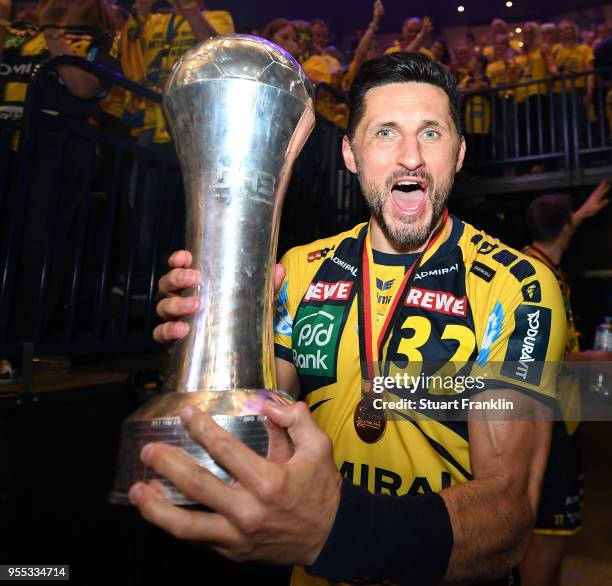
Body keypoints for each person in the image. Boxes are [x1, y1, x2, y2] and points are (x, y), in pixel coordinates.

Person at [129, 52, 566, 586]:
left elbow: (509, 513)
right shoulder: (300, 270)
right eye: (385, 133)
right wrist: (210, 338)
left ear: (459, 153)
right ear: (351, 153)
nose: (411, 158)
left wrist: (333, 531)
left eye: (431, 133)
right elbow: (256, 433)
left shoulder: (515, 285)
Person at [520, 182, 610, 586]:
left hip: (562, 419)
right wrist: (592, 359)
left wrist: (583, 211)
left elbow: (560, 225)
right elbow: (538, 360)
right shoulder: (536, 278)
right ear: (566, 230)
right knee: (548, 540)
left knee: (555, 537)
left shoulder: (540, 260)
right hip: (546, 422)